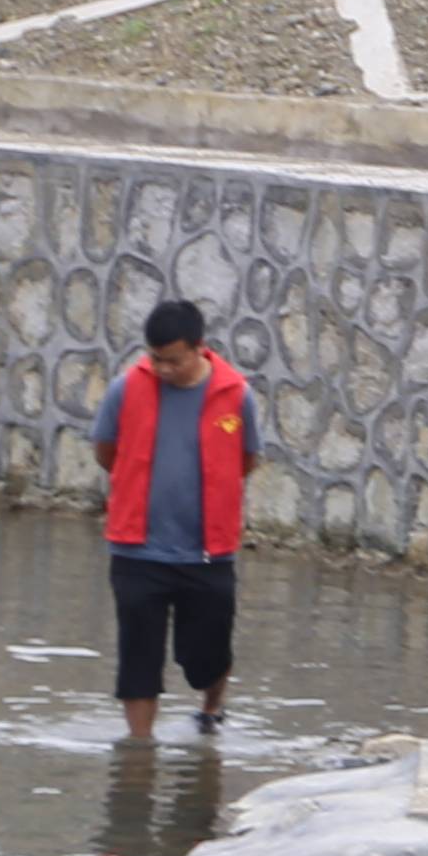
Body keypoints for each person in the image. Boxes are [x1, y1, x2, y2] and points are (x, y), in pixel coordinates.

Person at [93, 296, 258, 743]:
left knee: (207, 654)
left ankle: (211, 707)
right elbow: (106, 452)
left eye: (174, 361)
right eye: (156, 359)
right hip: (136, 549)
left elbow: (246, 460)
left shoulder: (236, 395)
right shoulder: (126, 389)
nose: (163, 369)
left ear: (200, 348)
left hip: (208, 553)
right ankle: (140, 750)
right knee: (138, 656)